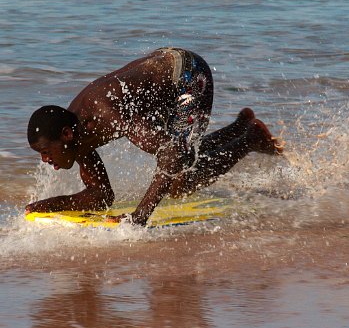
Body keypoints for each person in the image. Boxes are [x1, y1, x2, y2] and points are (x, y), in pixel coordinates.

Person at [25, 47, 283, 225]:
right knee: (182, 160)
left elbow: (171, 156)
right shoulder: (75, 134)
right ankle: (240, 128)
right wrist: (48, 207)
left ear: (66, 134)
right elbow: (102, 196)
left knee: (179, 180)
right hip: (158, 88)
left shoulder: (106, 115)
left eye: (46, 151)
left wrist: (140, 216)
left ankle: (250, 139)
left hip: (187, 76)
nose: (45, 160)